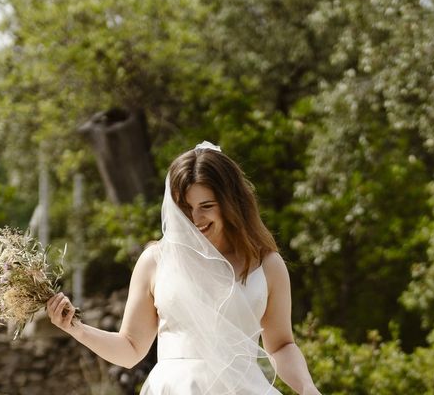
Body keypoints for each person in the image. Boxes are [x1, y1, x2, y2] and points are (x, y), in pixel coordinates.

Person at [47, 141, 321, 394]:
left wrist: (309, 390)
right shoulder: (155, 261)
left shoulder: (267, 265)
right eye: (185, 208)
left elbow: (282, 346)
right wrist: (77, 328)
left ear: (231, 204)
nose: (196, 218)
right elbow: (130, 348)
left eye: (207, 206)